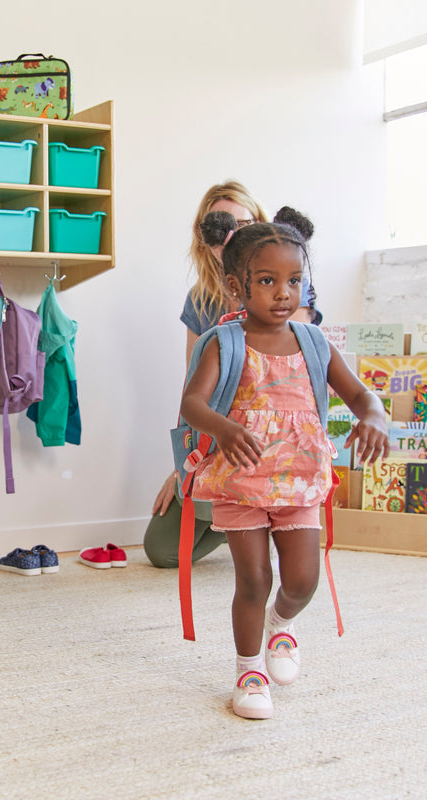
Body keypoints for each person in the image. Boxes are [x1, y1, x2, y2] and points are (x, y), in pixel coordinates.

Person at [179, 207, 389, 719]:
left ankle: (281, 623)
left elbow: (362, 397)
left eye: (294, 280)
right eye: (268, 280)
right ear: (236, 285)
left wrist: (376, 416)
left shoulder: (314, 343)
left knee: (301, 582)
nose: (283, 293)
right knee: (252, 580)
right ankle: (248, 669)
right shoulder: (225, 342)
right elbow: (193, 403)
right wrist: (224, 428)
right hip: (242, 479)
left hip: (298, 480)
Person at [144, 181, 321, 569]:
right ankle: (241, 530)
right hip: (221, 439)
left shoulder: (289, 288)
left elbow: (301, 360)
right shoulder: (201, 298)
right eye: (222, 227)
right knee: (162, 549)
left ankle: (261, 528)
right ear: (206, 240)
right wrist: (182, 470)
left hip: (280, 438)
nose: (234, 234)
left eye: (244, 224)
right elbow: (194, 392)